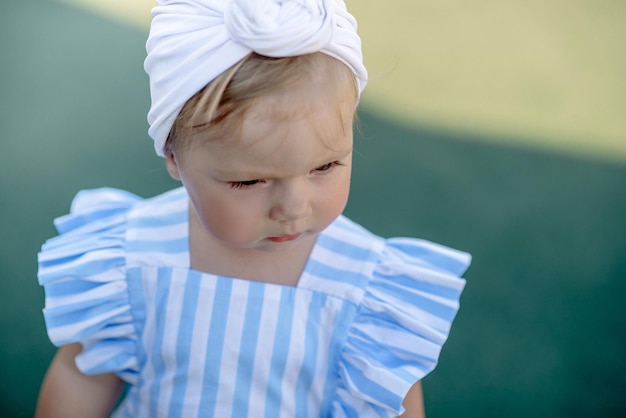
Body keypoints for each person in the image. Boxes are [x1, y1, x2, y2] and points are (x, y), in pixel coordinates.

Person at [36, 0, 470, 417]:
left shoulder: (369, 288)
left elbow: (389, 405)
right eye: (249, 181)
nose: (294, 207)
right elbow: (85, 376)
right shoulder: (130, 257)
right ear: (174, 156)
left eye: (325, 166)